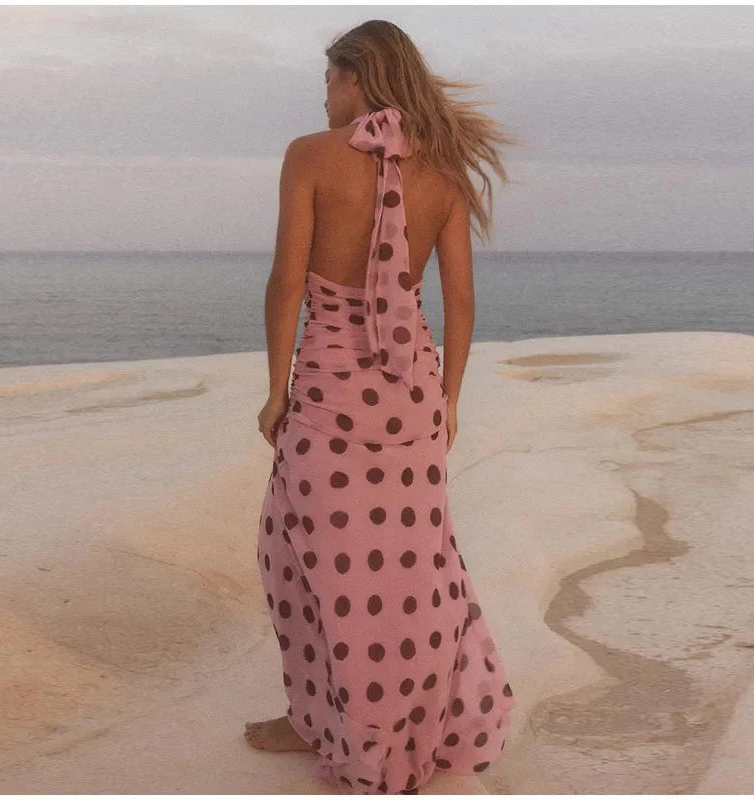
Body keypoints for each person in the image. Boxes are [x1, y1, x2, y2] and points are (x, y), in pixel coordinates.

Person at [246, 19, 520, 795]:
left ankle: (326, 721)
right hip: (413, 395)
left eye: (330, 79)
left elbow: (286, 284)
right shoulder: (446, 167)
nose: (324, 94)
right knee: (411, 572)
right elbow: (460, 301)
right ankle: (376, 725)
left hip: (331, 392)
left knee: (301, 560)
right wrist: (451, 401)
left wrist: (277, 389)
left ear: (359, 77)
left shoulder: (310, 156)